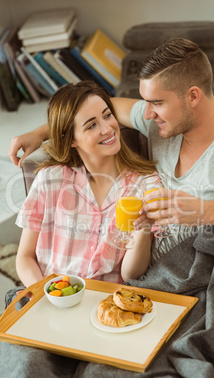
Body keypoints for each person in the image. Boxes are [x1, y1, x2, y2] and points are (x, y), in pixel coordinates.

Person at [8, 39, 214, 233]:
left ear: (192, 96)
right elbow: (100, 107)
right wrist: (42, 132)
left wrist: (202, 210)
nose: (146, 114)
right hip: (139, 274)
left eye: (156, 102)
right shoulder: (160, 127)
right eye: (145, 101)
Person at [10, 80, 156, 293]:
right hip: (51, 297)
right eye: (91, 125)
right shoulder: (50, 180)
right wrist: (45, 296)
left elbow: (131, 275)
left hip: (106, 306)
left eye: (107, 115)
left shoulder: (145, 185)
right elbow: (24, 257)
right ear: (71, 140)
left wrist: (144, 227)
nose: (108, 129)